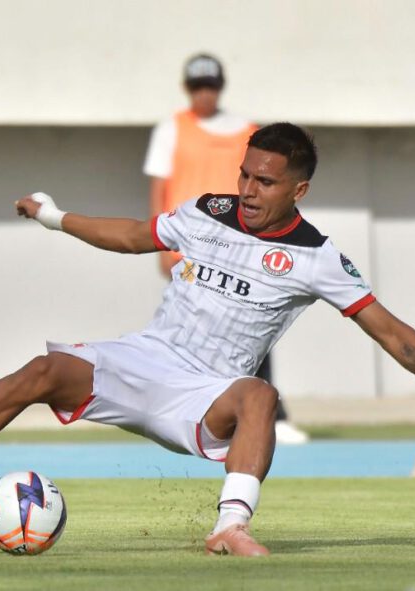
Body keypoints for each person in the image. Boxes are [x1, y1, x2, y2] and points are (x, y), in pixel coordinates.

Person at [0, 122, 415, 557]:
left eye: (265, 182)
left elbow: (387, 327)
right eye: (245, 175)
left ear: (300, 189)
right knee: (45, 368)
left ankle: (230, 525)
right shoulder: (207, 212)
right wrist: (53, 217)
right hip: (146, 358)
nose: (248, 190)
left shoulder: (315, 255)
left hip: (210, 394)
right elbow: (131, 235)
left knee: (260, 393)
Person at [144, 53, 308, 444]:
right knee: (188, 326)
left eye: (211, 86)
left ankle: (270, 414)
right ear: (188, 89)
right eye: (198, 87)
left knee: (254, 325)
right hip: (191, 245)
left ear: (221, 87)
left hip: (244, 245)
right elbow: (158, 189)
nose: (205, 95)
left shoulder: (247, 131)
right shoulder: (172, 129)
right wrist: (161, 245)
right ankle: (189, 411)